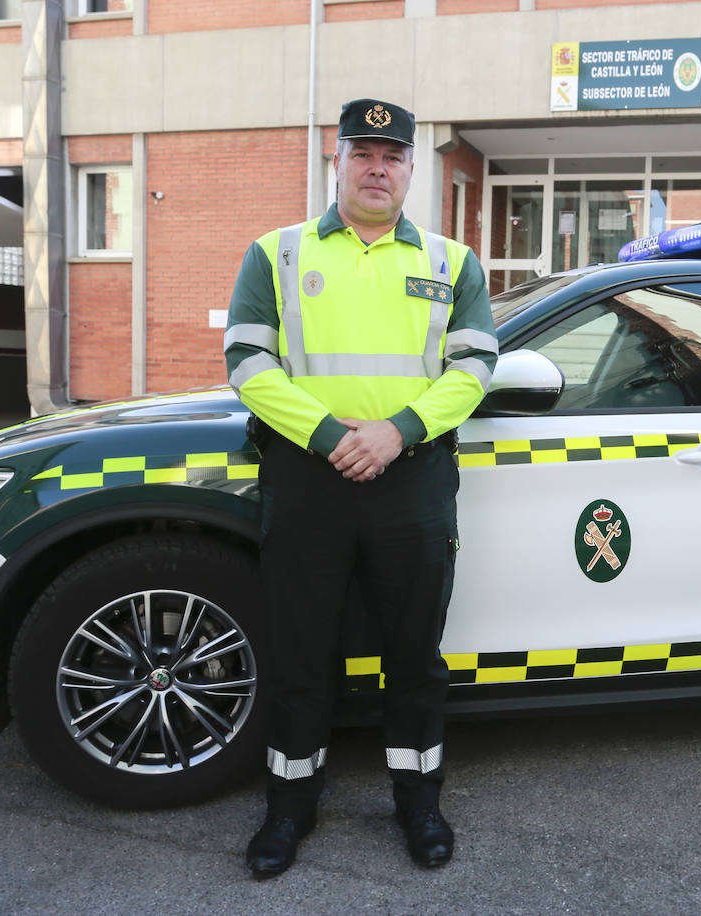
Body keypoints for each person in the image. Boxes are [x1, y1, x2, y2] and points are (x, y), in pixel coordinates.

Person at [223, 98, 498, 879]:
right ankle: (289, 808)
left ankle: (419, 804)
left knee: (414, 657)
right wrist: (327, 436)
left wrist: (397, 432)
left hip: (411, 482)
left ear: (412, 170)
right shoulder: (276, 254)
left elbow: (476, 368)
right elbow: (247, 362)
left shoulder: (452, 263)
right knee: (300, 653)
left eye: (393, 156)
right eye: (363, 153)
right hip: (308, 480)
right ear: (337, 161)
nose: (378, 168)